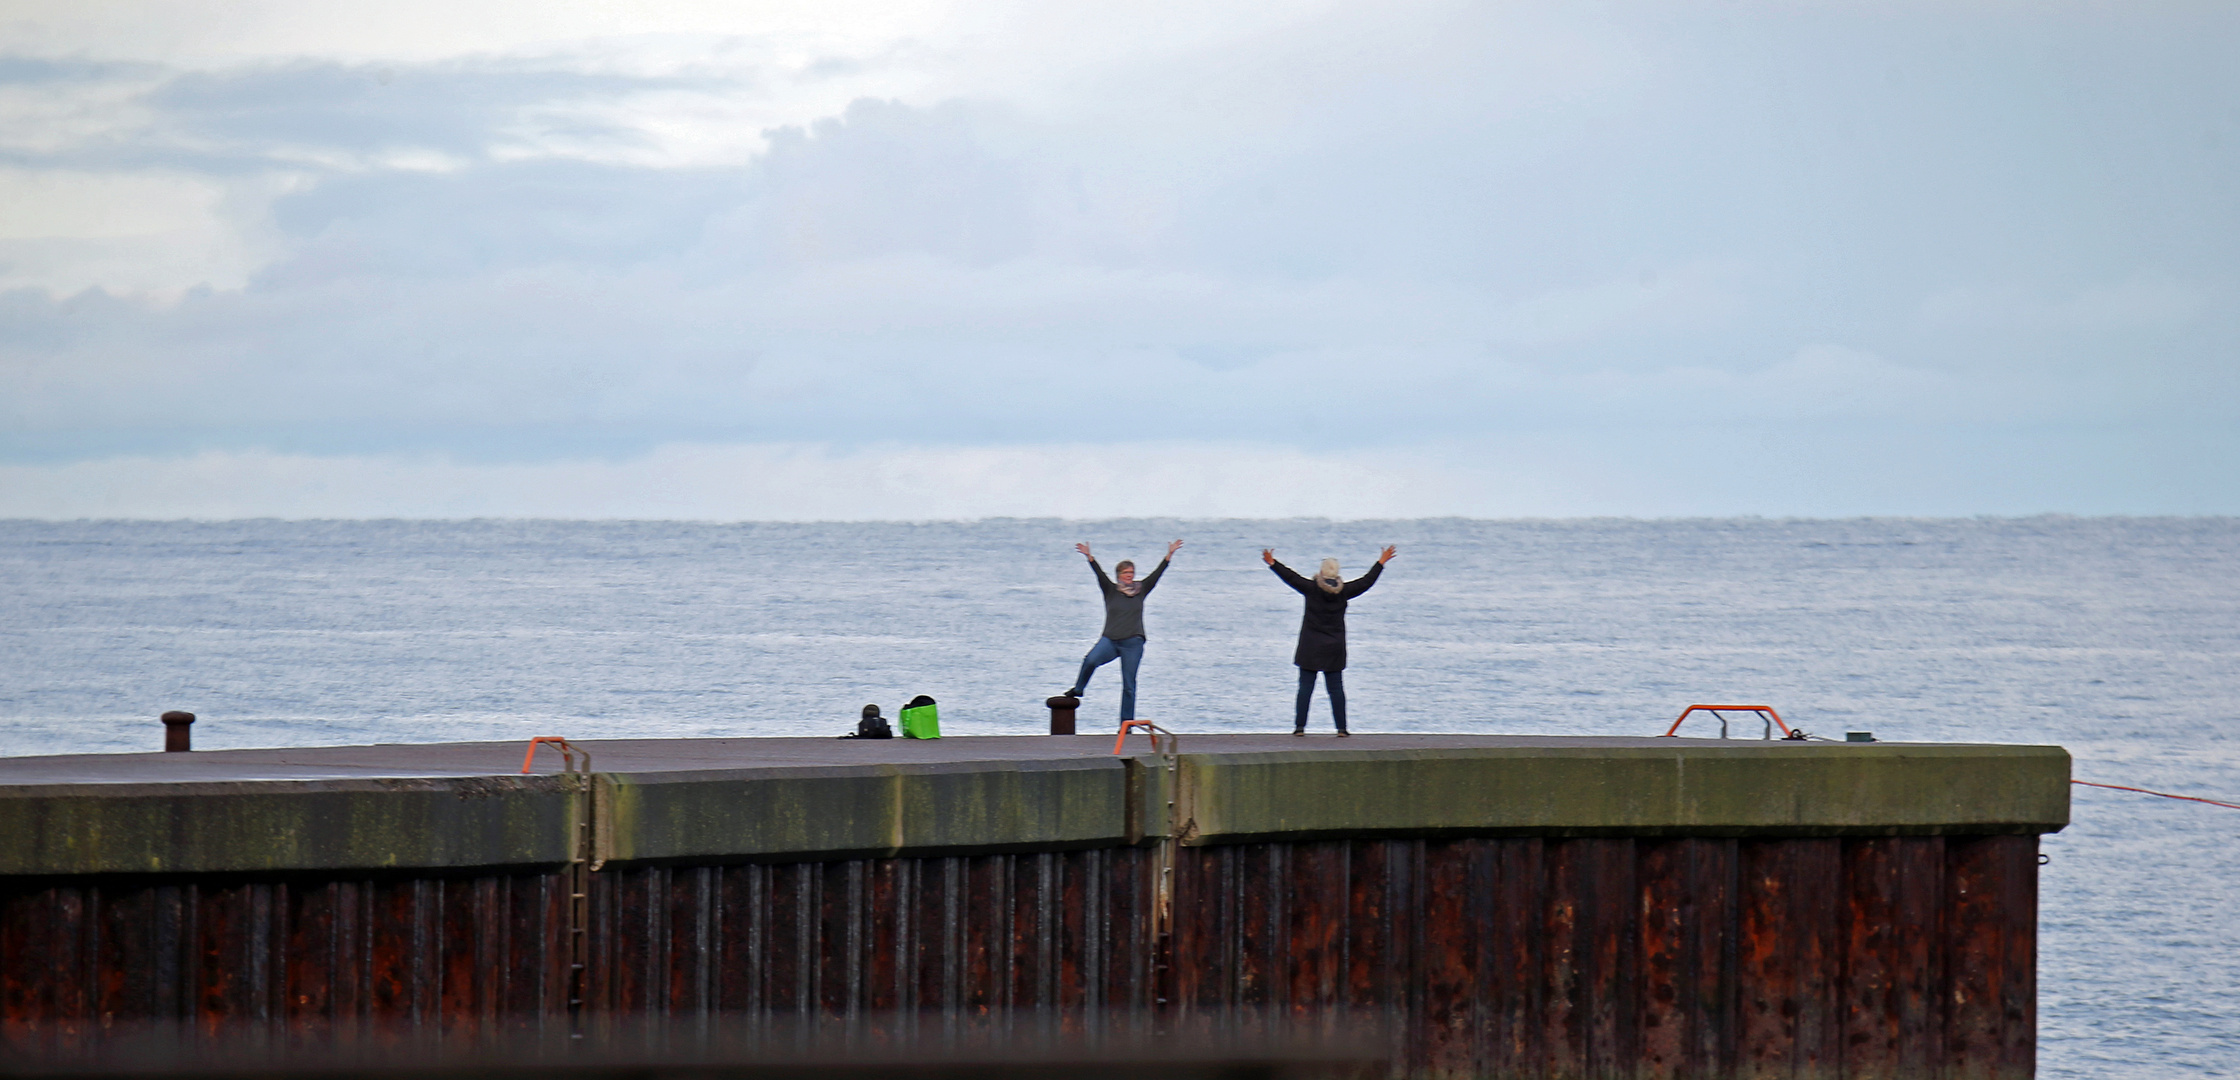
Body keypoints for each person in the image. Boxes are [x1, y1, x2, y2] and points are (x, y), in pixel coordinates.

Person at [1263, 545, 1397, 736]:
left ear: (1321, 572)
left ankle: (1300, 728)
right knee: (1336, 689)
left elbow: (1291, 577)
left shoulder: (1311, 588)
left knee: (1305, 688)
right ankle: (1342, 729)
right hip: (1334, 647)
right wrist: (1381, 562)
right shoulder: (1344, 591)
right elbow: (1366, 582)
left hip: (1310, 646)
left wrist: (1273, 563)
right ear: (1337, 574)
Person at [1061, 538, 1184, 724]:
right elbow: (1099, 574)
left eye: (1132, 572)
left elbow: (1157, 574)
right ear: (1119, 575)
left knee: (1129, 685)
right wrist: (1089, 557)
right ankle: (1079, 689)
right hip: (1110, 640)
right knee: (1090, 660)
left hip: (1132, 643)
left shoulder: (1141, 589)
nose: (1129, 575)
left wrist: (1169, 555)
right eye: (1126, 573)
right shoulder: (1110, 590)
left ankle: (1126, 724)